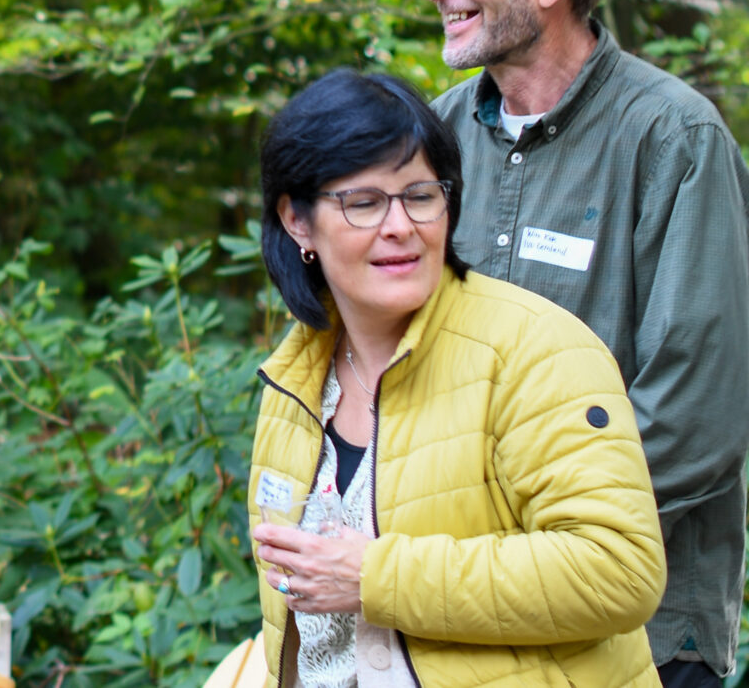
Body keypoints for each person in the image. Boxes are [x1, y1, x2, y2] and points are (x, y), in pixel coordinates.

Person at [414, 0, 749, 688]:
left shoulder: (674, 138)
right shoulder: (433, 139)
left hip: (642, 633)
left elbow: (699, 412)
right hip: (472, 628)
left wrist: (531, 534)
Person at [248, 68, 666, 688]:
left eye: (420, 195)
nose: (400, 226)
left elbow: (618, 571)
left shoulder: (533, 351)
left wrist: (374, 578)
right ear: (298, 221)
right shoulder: (295, 379)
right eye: (362, 202)